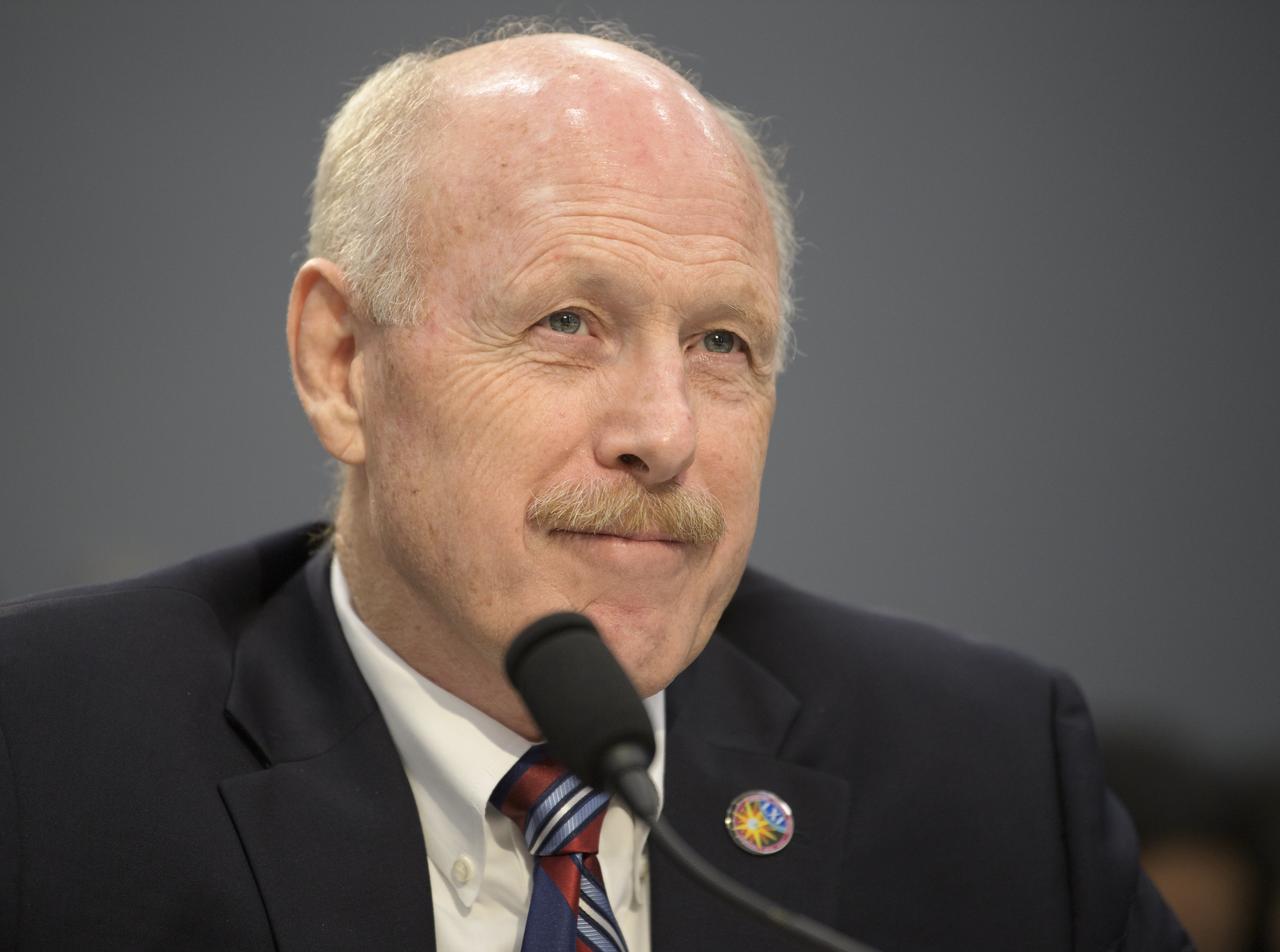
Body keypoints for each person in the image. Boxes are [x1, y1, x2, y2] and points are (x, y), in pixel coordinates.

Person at [0, 20, 1190, 952]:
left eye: (721, 344)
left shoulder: (989, 779)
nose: (661, 433)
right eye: (568, 322)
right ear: (342, 364)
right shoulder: (45, 762)